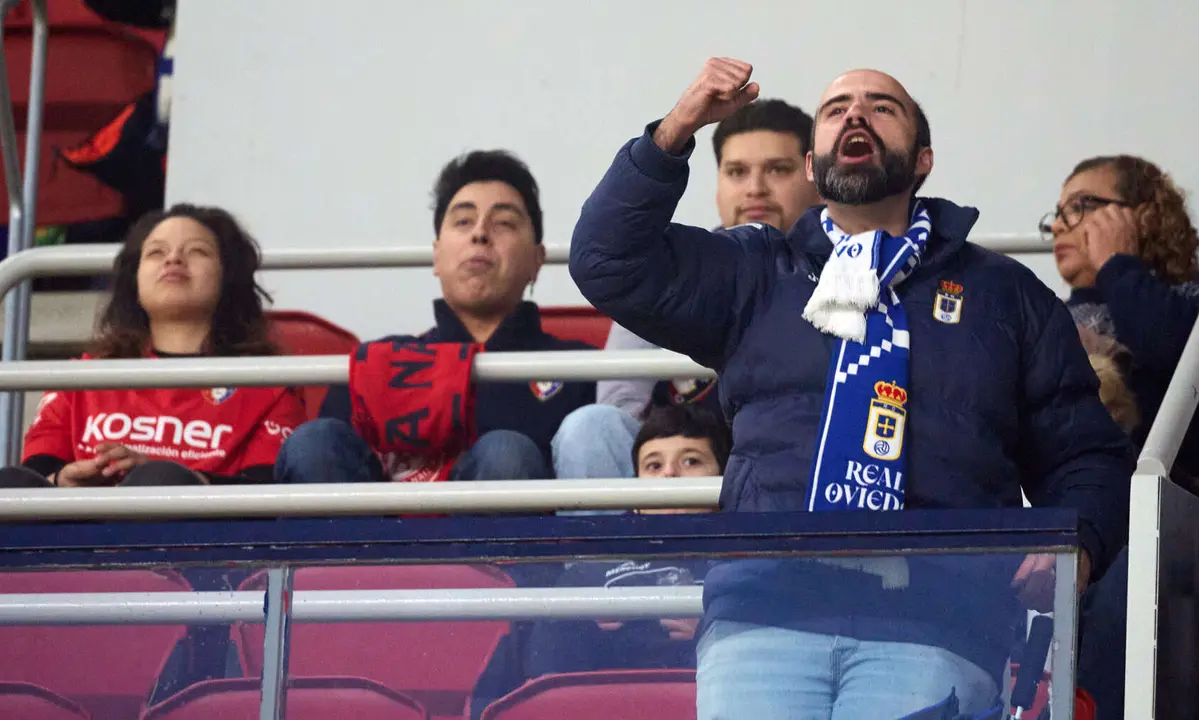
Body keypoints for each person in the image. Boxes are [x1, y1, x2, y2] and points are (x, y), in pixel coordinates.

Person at [570, 58, 1133, 718]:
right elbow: (606, 259)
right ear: (813, 166)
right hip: (764, 614)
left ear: (923, 160)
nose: (857, 114)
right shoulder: (757, 271)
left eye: (882, 107)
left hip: (939, 621)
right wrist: (674, 131)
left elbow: (1085, 452)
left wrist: (1076, 541)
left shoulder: (1004, 294)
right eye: (837, 109)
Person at [275, 150, 629, 484]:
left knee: (506, 455)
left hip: (521, 528)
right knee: (313, 442)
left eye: (504, 223)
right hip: (377, 528)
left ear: (538, 260)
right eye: (463, 221)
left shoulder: (580, 370)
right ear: (436, 255)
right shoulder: (378, 365)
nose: (480, 233)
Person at [0, 204, 305, 490]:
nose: (173, 259)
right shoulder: (78, 379)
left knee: (159, 480)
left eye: (197, 251)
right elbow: (37, 473)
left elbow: (264, 491)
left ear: (228, 277)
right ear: (135, 280)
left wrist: (175, 482)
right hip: (81, 525)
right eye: (156, 252)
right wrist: (64, 479)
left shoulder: (269, 384)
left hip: (199, 528)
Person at [470, 405, 730, 718]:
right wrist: (586, 629)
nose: (669, 474)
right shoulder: (591, 570)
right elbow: (544, 674)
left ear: (723, 480)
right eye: (653, 465)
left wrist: (710, 634)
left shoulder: (745, 564)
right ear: (636, 493)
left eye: (691, 461)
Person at [599, 99, 820, 422]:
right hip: (681, 450)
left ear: (817, 182)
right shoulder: (670, 267)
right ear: (718, 189)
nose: (755, 189)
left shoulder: (853, 269)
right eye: (737, 172)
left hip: (806, 447)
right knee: (593, 425)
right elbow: (618, 409)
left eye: (778, 169)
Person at [1043, 154, 1199, 478]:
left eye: (1078, 206)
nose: (1058, 226)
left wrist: (1116, 264)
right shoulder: (1048, 316)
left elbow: (1169, 350)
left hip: (1167, 493)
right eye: (1058, 214)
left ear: (1144, 216)